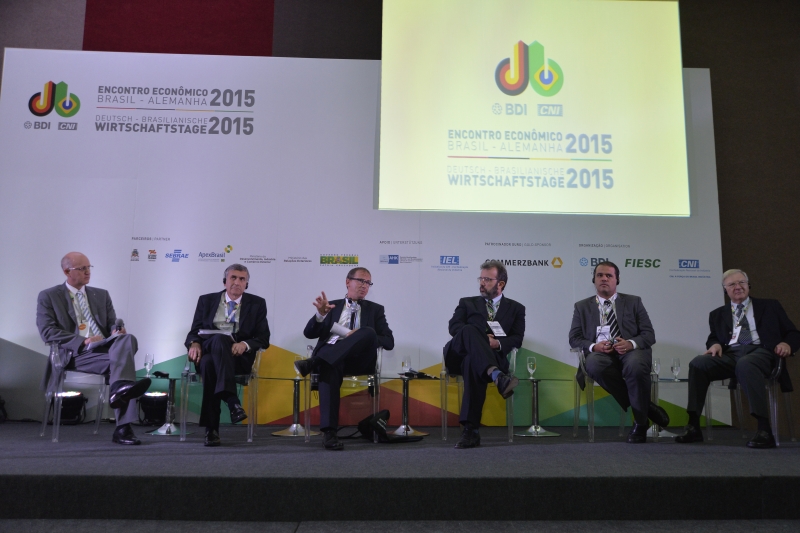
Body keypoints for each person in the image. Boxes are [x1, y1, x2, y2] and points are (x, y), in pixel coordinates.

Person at [675, 269, 800, 448]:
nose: (738, 287)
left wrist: (787, 345)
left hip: (762, 352)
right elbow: (713, 337)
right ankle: (693, 426)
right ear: (725, 290)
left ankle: (764, 430)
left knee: (746, 364)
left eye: (741, 282)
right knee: (698, 363)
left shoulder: (770, 306)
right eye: (732, 284)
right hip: (731, 354)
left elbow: (793, 333)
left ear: (748, 285)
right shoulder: (717, 314)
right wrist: (715, 344)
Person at [36, 252, 150, 445]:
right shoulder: (49, 296)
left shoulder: (101, 294)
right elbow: (47, 331)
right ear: (66, 271)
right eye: (82, 269)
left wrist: (116, 330)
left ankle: (118, 390)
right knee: (122, 366)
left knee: (127, 339)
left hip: (105, 347)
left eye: (89, 267)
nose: (87, 272)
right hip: (75, 352)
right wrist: (83, 341)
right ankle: (123, 426)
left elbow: (112, 324)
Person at [568, 261, 669, 443]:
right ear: (594, 280)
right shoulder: (581, 307)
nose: (604, 279)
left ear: (617, 280)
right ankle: (646, 409)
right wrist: (594, 346)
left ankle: (639, 423)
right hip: (601, 354)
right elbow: (574, 338)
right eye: (600, 275)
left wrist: (630, 343)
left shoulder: (633, 302)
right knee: (593, 363)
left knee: (636, 365)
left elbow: (649, 334)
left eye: (609, 275)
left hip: (630, 352)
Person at [295, 267, 393, 450]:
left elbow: (389, 341)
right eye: (360, 281)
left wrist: (360, 335)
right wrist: (320, 315)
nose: (365, 286)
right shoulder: (330, 306)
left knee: (368, 332)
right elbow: (309, 333)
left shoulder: (375, 310)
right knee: (330, 366)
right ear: (348, 281)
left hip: (360, 360)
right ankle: (330, 433)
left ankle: (315, 361)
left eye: (368, 283)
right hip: (334, 360)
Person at [443, 260, 525, 449]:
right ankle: (498, 376)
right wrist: (480, 337)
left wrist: (497, 343)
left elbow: (517, 339)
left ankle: (470, 431)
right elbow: (454, 327)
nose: (482, 283)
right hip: (457, 355)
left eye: (487, 279)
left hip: (483, 358)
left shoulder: (516, 308)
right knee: (470, 330)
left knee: (473, 362)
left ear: (500, 284)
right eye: (481, 278)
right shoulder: (467, 302)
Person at [185, 264, 270, 446]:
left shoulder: (257, 304)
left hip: (238, 359)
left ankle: (211, 430)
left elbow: (264, 338)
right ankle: (232, 401)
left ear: (246, 284)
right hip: (209, 348)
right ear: (225, 281)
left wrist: (245, 344)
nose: (237, 282)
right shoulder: (206, 301)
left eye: (242, 279)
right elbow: (194, 332)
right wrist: (194, 343)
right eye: (233, 278)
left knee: (209, 365)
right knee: (219, 339)